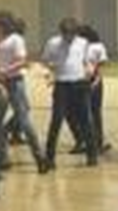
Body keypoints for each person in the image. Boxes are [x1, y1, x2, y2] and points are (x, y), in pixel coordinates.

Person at [0, 13, 48, 174]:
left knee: (24, 120)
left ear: (0, 28)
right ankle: (3, 158)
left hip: (14, 82)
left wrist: (5, 70)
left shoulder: (15, 39)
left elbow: (22, 60)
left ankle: (40, 157)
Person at [41, 18, 98, 168]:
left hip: (80, 84)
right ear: (61, 33)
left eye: (72, 34)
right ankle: (49, 157)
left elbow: (88, 61)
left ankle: (92, 155)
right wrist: (50, 70)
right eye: (66, 35)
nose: (69, 38)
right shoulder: (52, 43)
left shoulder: (83, 43)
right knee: (56, 121)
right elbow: (45, 61)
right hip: (62, 85)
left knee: (86, 120)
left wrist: (89, 70)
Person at [80, 25, 110, 154]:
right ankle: (89, 141)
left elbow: (101, 65)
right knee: (85, 113)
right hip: (81, 81)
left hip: (94, 82)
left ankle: (98, 142)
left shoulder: (98, 47)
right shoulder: (79, 47)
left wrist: (96, 81)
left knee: (95, 112)